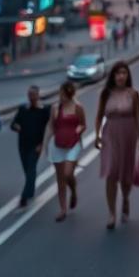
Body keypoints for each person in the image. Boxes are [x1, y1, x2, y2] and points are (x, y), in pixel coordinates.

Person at [95, 60, 139, 229]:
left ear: (127, 75)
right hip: (110, 135)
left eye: (124, 73)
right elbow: (99, 116)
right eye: (118, 73)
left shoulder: (133, 94)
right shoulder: (106, 94)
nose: (121, 76)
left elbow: (138, 116)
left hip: (129, 134)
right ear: (113, 76)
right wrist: (97, 136)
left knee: (126, 174)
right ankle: (111, 213)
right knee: (111, 172)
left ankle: (126, 198)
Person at [47, 81, 86, 221]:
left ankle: (74, 192)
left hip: (73, 144)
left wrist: (77, 131)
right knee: (60, 179)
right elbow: (51, 126)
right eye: (61, 94)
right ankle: (63, 209)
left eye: (64, 94)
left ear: (70, 95)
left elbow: (83, 124)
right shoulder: (55, 108)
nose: (61, 97)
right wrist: (46, 143)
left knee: (68, 173)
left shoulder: (78, 107)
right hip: (57, 145)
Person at [11, 85, 49, 207]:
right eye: (29, 95)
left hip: (36, 145)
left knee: (31, 169)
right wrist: (17, 127)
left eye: (33, 95)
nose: (31, 97)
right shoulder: (23, 109)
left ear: (38, 95)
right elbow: (13, 124)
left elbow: (48, 128)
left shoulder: (44, 110)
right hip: (23, 145)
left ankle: (24, 196)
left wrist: (42, 144)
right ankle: (31, 191)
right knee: (27, 170)